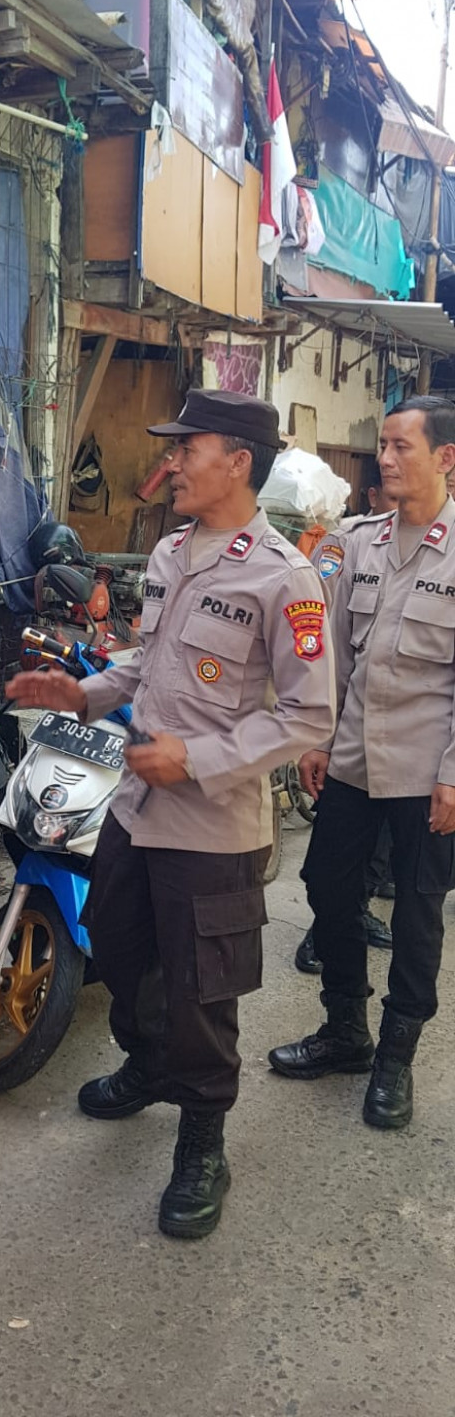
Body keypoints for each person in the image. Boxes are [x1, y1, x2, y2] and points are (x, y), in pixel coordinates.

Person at [7, 389, 335, 1240]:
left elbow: (307, 716)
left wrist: (196, 756)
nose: (172, 463)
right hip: (137, 811)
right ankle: (149, 1063)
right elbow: (148, 665)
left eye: (188, 448)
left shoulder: (284, 576)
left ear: (237, 461)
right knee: (118, 945)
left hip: (214, 831)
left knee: (202, 993)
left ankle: (202, 1138)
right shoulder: (171, 553)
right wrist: (81, 690)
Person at [270, 395, 455, 1131]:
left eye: (401, 446)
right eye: (382, 444)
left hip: (425, 773)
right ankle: (346, 1028)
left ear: (445, 457)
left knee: (416, 914)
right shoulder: (363, 543)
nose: (385, 458)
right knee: (325, 888)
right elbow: (336, 659)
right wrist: (316, 737)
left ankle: (395, 1058)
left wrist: (453, 773)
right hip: (351, 761)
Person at [293, 461, 395, 975]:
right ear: (372, 495)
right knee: (337, 858)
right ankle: (322, 933)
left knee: (380, 849)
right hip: (351, 719)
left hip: (402, 737)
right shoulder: (346, 542)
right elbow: (326, 623)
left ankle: (355, 915)